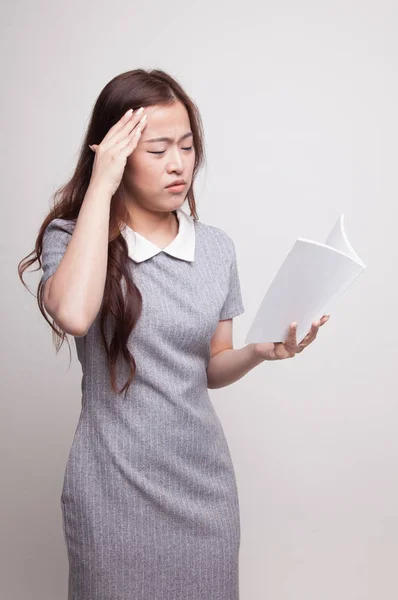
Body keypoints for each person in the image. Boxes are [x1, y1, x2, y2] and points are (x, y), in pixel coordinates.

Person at [18, 68, 329, 600]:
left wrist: (259, 352)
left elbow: (210, 366)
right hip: (111, 489)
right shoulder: (73, 238)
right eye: (157, 149)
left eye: (186, 146)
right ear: (114, 153)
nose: (178, 163)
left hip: (203, 490)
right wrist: (101, 186)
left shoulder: (215, 249)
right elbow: (72, 314)